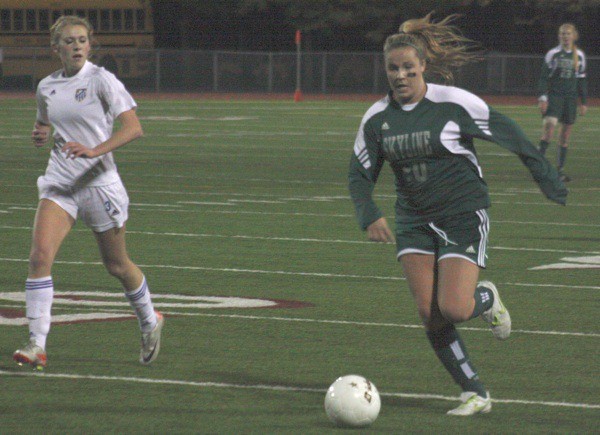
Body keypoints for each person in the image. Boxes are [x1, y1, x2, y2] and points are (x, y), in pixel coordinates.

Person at [348, 13, 567, 416]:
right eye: (393, 69)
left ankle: (486, 298)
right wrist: (369, 214)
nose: (400, 76)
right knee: (429, 314)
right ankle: (474, 392)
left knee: (455, 308)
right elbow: (359, 172)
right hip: (413, 220)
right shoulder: (377, 118)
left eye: (408, 68)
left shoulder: (453, 103)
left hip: (462, 212)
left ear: (423, 67)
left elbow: (511, 134)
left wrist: (547, 178)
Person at [13, 15, 164, 370]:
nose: (77, 45)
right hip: (60, 183)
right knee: (38, 258)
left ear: (89, 45)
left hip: (100, 185)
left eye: (82, 40)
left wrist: (95, 149)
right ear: (56, 49)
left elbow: (134, 128)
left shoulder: (101, 80)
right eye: (69, 41)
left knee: (116, 265)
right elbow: (44, 121)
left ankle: (149, 319)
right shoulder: (46, 86)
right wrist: (40, 134)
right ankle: (37, 344)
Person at [537, 23, 588, 182]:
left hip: (570, 100)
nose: (565, 37)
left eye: (568, 34)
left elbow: (581, 80)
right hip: (555, 98)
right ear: (559, 36)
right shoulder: (553, 54)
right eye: (562, 34)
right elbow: (544, 77)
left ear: (574, 36)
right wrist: (543, 98)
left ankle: (559, 170)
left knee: (565, 136)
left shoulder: (578, 55)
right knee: (549, 131)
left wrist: (583, 101)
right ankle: (538, 168)